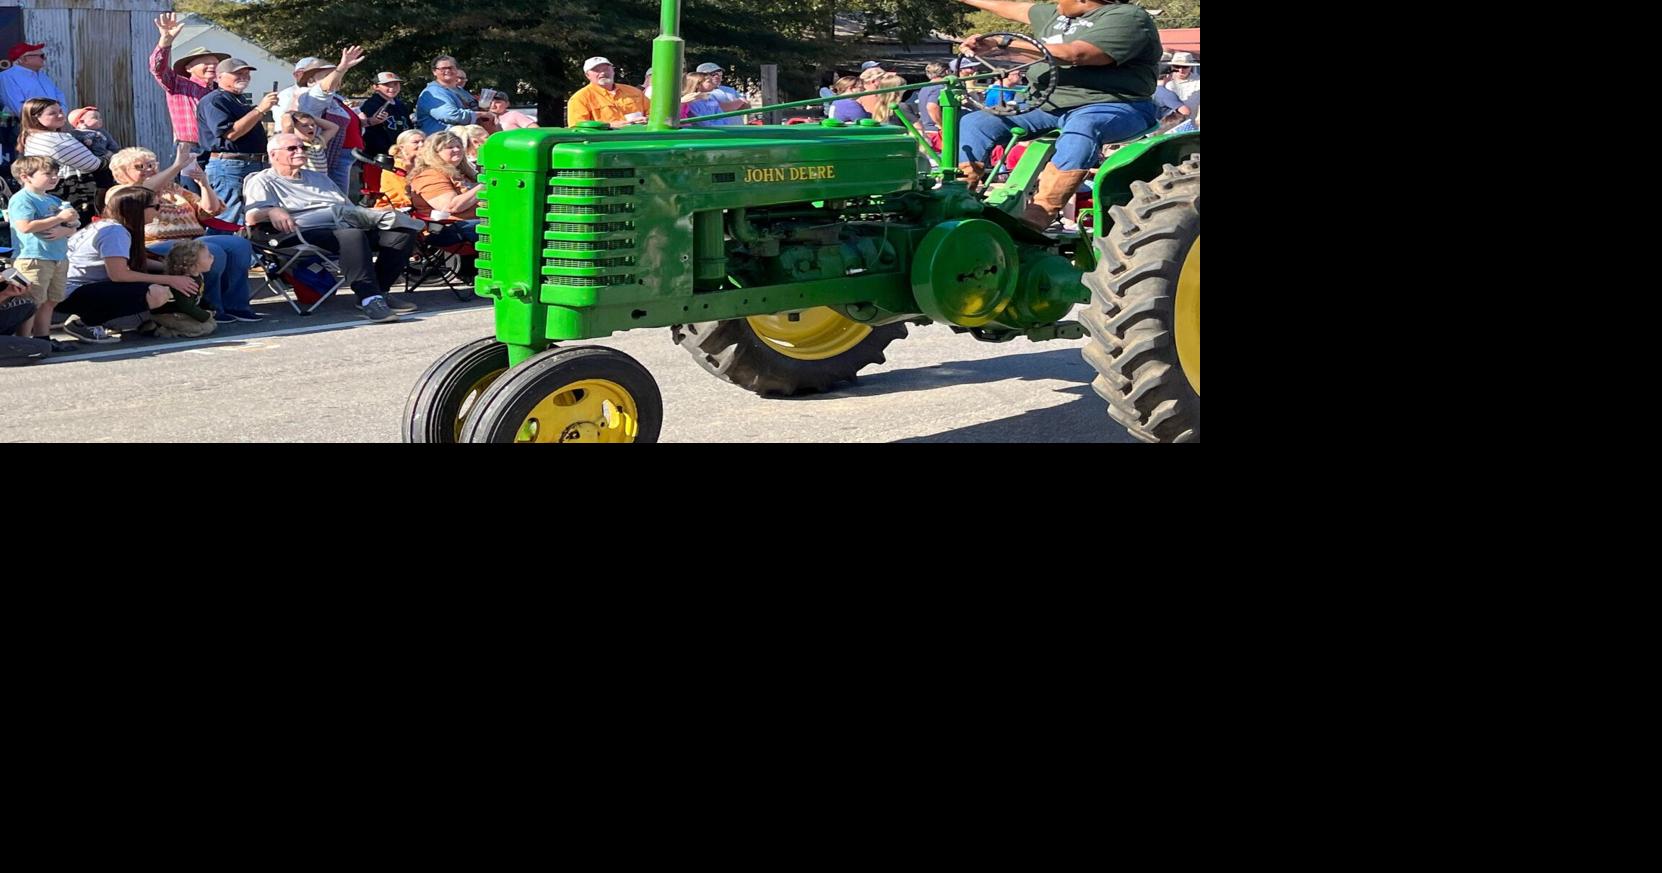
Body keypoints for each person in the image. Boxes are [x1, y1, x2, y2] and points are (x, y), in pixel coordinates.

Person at [952, 0, 1161, 232]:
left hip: (1113, 104)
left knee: (1083, 127)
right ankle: (957, 197)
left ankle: (1040, 213)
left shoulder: (1128, 17)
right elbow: (1009, 7)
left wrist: (1005, 43)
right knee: (976, 122)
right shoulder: (1057, 13)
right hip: (1046, 104)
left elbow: (1077, 54)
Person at [243, 133, 421, 322]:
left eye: (303, 147)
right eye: (292, 148)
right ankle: (369, 298)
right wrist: (272, 210)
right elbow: (251, 216)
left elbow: (347, 208)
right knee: (352, 236)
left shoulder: (319, 178)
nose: (300, 151)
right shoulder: (262, 180)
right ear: (273, 155)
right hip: (297, 232)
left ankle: (380, 291)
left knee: (401, 232)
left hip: (339, 224)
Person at [108, 145, 260, 324]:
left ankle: (236, 305)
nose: (148, 169)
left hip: (193, 239)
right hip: (154, 244)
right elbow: (145, 191)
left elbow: (210, 210)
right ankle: (211, 307)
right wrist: (177, 165)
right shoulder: (121, 193)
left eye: (151, 165)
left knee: (239, 245)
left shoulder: (173, 189)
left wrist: (204, 183)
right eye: (140, 167)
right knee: (211, 251)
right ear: (122, 173)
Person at [58, 185, 202, 344]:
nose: (160, 210)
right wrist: (171, 280)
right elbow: (119, 275)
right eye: (156, 206)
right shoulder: (115, 232)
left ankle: (113, 321)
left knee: (159, 281)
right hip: (73, 293)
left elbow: (127, 261)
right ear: (137, 209)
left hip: (79, 288)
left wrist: (172, 269)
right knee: (157, 293)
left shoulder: (111, 226)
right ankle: (83, 323)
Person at [5, 156, 80, 351]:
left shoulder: (54, 200)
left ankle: (43, 338)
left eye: (56, 173)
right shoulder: (22, 199)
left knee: (50, 300)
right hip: (33, 258)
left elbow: (74, 224)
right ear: (25, 176)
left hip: (58, 257)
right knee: (31, 302)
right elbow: (24, 226)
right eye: (48, 174)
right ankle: (24, 342)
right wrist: (59, 219)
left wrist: (66, 228)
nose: (55, 177)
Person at [149, 13, 228, 194]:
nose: (212, 66)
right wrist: (165, 41)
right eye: (205, 63)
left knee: (217, 196)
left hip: (218, 149)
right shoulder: (178, 84)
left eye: (215, 64)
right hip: (190, 148)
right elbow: (157, 68)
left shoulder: (221, 91)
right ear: (189, 68)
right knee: (192, 194)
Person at [196, 57, 280, 223]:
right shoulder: (214, 100)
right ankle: (220, 241)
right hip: (231, 166)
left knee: (252, 216)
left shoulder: (239, 99)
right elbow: (230, 134)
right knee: (228, 218)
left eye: (246, 73)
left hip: (250, 164)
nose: (244, 77)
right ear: (219, 77)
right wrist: (260, 110)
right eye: (237, 74)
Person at [15, 98, 103, 222]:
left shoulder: (30, 137)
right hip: (68, 192)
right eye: (52, 113)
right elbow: (93, 164)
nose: (61, 115)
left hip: (45, 191)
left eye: (60, 111)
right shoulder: (54, 139)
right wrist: (110, 156)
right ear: (35, 118)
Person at [405, 131, 483, 256]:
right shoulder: (429, 175)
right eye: (450, 147)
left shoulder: (464, 172)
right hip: (446, 228)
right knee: (505, 227)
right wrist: (485, 185)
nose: (457, 150)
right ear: (434, 153)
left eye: (459, 146)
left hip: (474, 221)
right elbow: (450, 206)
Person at [417, 55, 493, 134]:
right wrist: (480, 114)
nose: (447, 70)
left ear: (456, 69)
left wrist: (484, 107)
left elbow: (475, 108)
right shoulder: (433, 92)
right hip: (444, 139)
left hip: (468, 137)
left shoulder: (460, 90)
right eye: (443, 68)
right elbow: (451, 116)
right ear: (434, 72)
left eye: (451, 67)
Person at [567, 57, 649, 128]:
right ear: (587, 75)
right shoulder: (580, 98)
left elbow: (652, 115)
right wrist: (610, 125)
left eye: (606, 69)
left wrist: (647, 120)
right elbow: (578, 128)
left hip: (638, 137)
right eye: (596, 70)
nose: (603, 73)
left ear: (613, 71)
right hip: (604, 140)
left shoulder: (634, 92)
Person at [378, 129, 425, 209]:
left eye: (423, 141)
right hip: (395, 208)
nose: (422, 145)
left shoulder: (425, 164)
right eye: (416, 142)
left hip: (420, 205)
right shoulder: (394, 167)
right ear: (402, 147)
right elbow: (406, 195)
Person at [286, 111, 337, 175]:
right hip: (306, 180)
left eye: (313, 125)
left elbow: (334, 127)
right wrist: (290, 115)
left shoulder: (318, 141)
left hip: (321, 180)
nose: (311, 128)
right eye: (305, 125)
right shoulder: (295, 144)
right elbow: (287, 125)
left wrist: (311, 117)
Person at [914, 62, 949, 151]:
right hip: (936, 132)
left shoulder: (925, 87)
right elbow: (932, 107)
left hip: (926, 129)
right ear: (947, 72)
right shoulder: (939, 87)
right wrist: (943, 126)